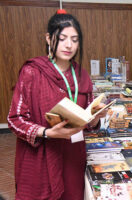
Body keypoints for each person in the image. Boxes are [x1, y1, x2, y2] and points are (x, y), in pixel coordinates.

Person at [7, 12, 106, 200]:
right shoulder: (32, 72)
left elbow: (88, 122)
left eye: (75, 40)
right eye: (62, 38)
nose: (69, 45)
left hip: (72, 155)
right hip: (40, 157)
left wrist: (94, 120)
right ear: (48, 38)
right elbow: (14, 120)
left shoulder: (81, 74)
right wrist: (47, 132)